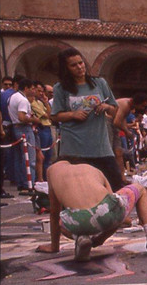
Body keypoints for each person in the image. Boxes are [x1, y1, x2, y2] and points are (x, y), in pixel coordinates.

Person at [34, 160, 147, 261]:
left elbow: (54, 213)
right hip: (107, 213)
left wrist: (54, 247)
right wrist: (103, 237)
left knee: (61, 221)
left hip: (77, 222)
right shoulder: (92, 169)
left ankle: (80, 237)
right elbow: (114, 203)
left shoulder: (52, 171)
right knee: (139, 189)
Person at [50, 49, 122, 192]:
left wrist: (106, 106)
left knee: (115, 187)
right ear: (66, 68)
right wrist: (72, 114)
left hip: (100, 147)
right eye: (73, 65)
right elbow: (55, 116)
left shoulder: (99, 83)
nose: (79, 67)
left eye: (81, 62)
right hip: (74, 148)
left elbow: (114, 109)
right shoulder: (60, 88)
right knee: (78, 191)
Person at [6, 78, 40, 194]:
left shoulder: (13, 97)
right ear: (26, 88)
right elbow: (22, 117)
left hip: (15, 128)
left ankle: (21, 183)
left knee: (20, 158)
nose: (33, 90)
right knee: (30, 158)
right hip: (24, 128)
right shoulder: (23, 100)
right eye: (32, 88)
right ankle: (28, 184)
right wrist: (34, 119)